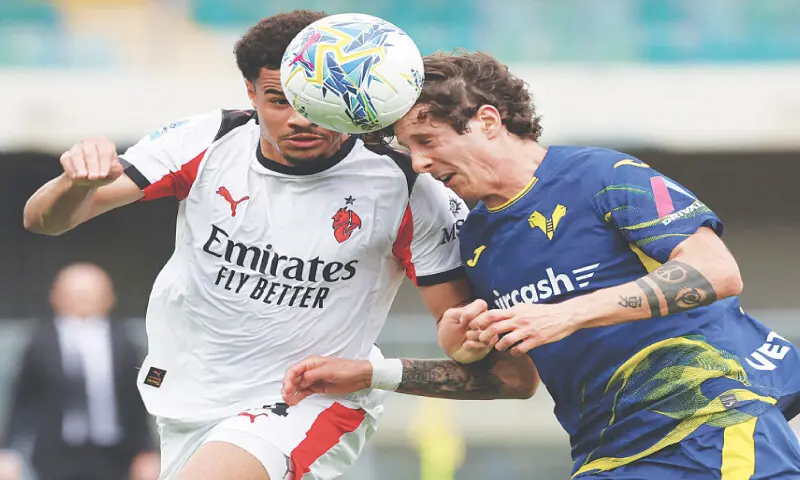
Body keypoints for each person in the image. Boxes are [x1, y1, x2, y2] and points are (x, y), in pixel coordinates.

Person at [22, 12, 536, 480]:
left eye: (317, 101)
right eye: (279, 99)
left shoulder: (407, 189)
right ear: (250, 92)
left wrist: (383, 371)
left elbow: (500, 371)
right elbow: (44, 220)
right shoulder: (206, 141)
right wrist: (77, 182)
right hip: (187, 398)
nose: (301, 118)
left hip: (309, 403)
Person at [281, 51, 800, 478]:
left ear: (487, 121)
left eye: (427, 141)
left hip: (715, 424)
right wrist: (391, 368)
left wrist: (566, 313)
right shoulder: (477, 239)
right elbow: (513, 379)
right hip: (607, 457)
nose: (417, 163)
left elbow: (716, 271)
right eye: (407, 148)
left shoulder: (602, 173)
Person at [1, 263, 159, 480]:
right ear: (56, 296)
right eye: (76, 293)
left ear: (109, 297)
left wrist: (148, 450)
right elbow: (23, 400)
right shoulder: (39, 342)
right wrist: (9, 450)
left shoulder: (125, 342)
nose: (83, 300)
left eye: (91, 293)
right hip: (55, 453)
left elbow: (139, 397)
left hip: (115, 452)